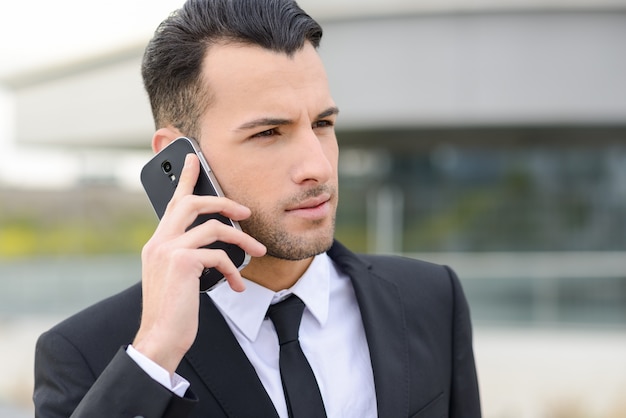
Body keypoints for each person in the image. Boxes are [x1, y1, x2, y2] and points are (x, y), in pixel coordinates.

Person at [33, 0, 481, 417]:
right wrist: (153, 356)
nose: (317, 165)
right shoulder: (89, 354)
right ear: (178, 155)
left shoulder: (431, 299)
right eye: (268, 132)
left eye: (323, 124)